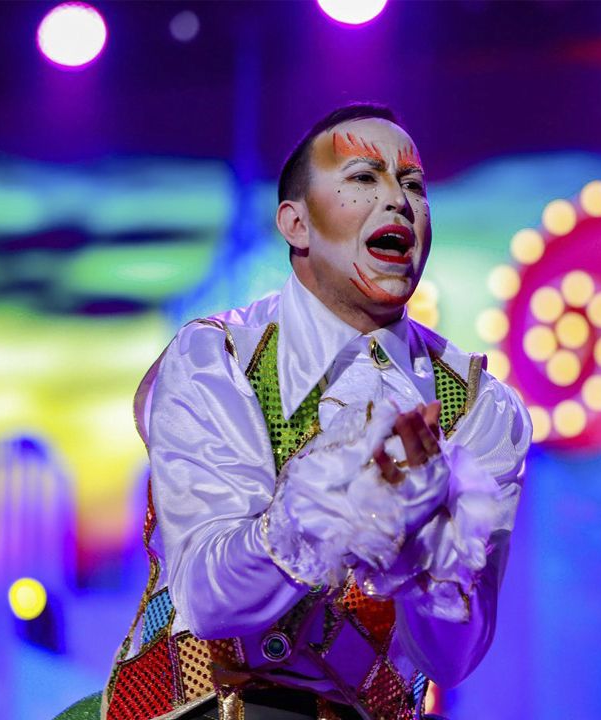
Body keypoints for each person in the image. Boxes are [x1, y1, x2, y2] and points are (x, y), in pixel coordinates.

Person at [56, 103, 531, 720]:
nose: (398, 200)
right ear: (297, 224)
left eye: (413, 185)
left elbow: (453, 657)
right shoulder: (220, 358)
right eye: (364, 177)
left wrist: (428, 553)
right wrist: (324, 513)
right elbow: (209, 599)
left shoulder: (478, 406)